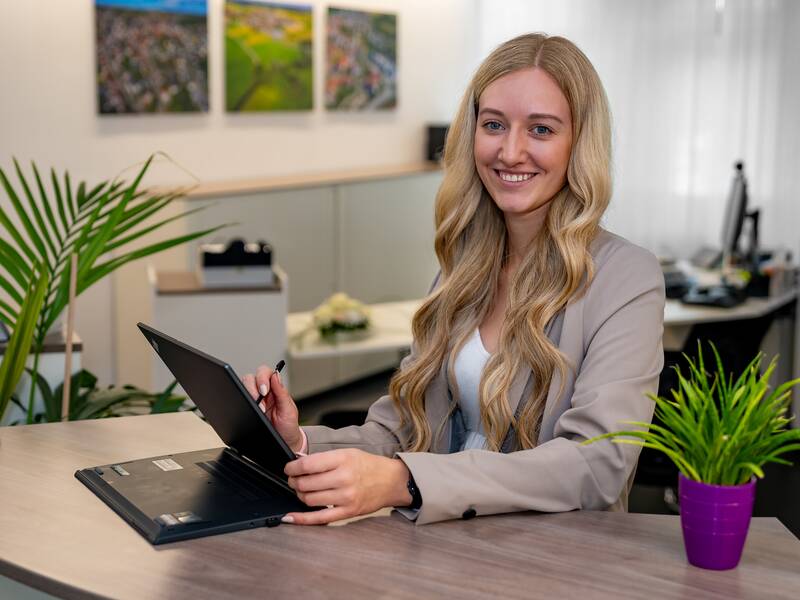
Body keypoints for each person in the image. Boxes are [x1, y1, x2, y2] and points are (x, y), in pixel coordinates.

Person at [242, 32, 665, 526]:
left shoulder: (626, 277)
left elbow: (597, 464)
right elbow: (405, 428)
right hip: (441, 544)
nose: (511, 151)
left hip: (552, 559)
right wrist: (298, 441)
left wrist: (407, 482)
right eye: (494, 125)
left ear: (579, 143)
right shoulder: (463, 264)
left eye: (542, 130)